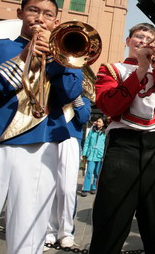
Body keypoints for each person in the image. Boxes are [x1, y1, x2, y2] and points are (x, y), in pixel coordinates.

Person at [0, 0, 83, 254]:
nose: (40, 18)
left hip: (39, 148)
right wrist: (22, 58)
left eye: (48, 14)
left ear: (56, 21)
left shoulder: (65, 58)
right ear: (20, 13)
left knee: (29, 232)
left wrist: (55, 58)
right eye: (33, 10)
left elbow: (70, 93)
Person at [90, 22, 155, 254]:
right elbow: (110, 105)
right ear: (128, 41)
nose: (144, 42)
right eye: (140, 37)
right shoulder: (112, 69)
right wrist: (140, 70)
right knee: (111, 220)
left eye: (151, 40)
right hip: (123, 148)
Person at [45, 95, 92, 249]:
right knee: (47, 188)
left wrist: (76, 98)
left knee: (67, 188)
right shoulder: (50, 90)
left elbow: (84, 117)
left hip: (71, 137)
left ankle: (66, 232)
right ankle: (48, 231)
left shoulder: (82, 97)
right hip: (48, 136)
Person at [80, 116, 107, 197]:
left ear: (103, 124)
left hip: (100, 155)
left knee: (97, 173)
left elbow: (106, 145)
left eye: (100, 122)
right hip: (91, 155)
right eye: (97, 121)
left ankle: (94, 187)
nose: (98, 123)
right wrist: (84, 153)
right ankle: (85, 188)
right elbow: (87, 142)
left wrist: (104, 155)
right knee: (89, 171)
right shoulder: (92, 131)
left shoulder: (105, 132)